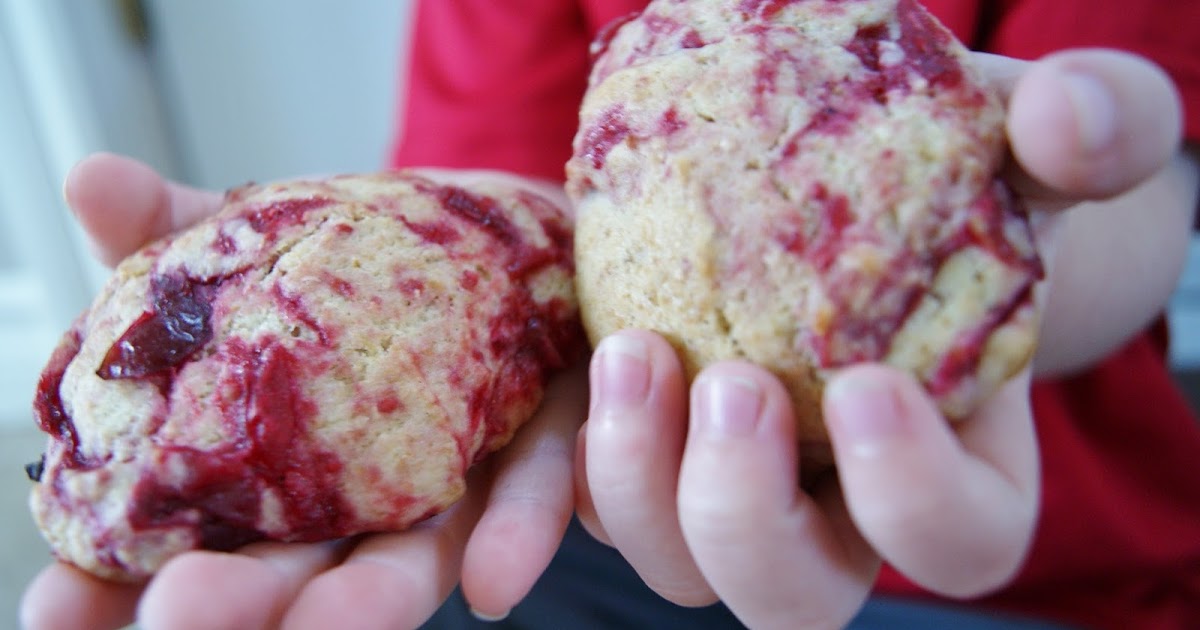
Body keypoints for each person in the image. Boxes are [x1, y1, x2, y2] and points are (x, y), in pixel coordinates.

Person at [19, 1, 1200, 629]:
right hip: (599, 511)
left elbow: (1140, 204)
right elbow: (517, 212)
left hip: (1043, 579)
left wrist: (1002, 233)